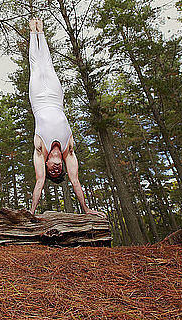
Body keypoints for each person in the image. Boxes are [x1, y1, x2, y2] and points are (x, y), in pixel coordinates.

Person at [28, 17, 105, 217]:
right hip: (55, 98)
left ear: (46, 165)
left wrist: (31, 212)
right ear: (61, 166)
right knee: (49, 65)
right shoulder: (69, 151)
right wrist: (86, 209)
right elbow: (75, 180)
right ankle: (41, 32)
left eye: (51, 172)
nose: (55, 169)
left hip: (38, 100)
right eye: (57, 171)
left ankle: (33, 32)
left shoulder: (39, 150)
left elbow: (39, 181)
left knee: (37, 66)